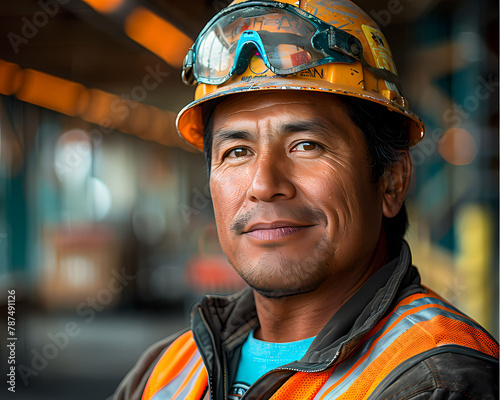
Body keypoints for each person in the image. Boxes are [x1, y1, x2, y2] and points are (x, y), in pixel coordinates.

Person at [112, 1, 499, 399]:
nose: (264, 185)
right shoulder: (167, 370)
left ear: (391, 182)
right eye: (237, 151)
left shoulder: (438, 381)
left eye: (306, 145)